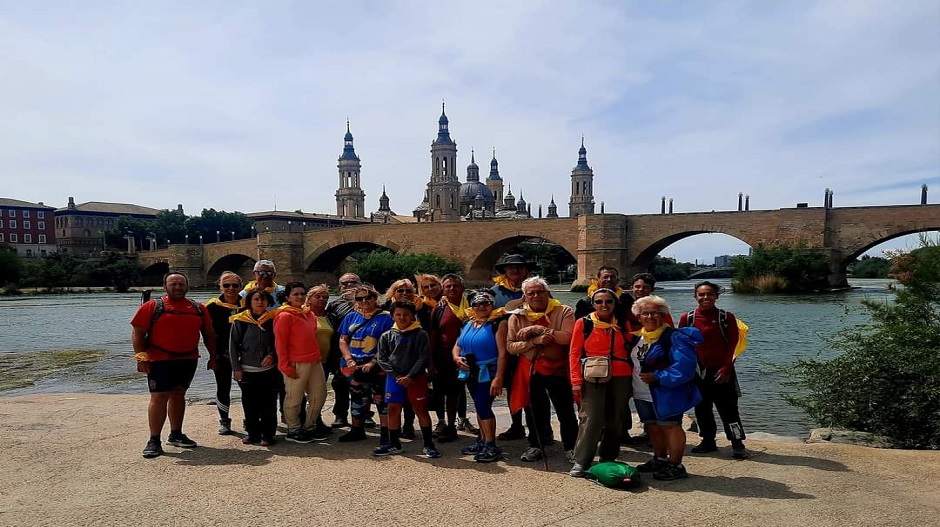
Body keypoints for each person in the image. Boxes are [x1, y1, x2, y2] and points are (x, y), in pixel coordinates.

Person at [132, 272, 216, 459]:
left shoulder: (198, 308)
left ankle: (176, 433)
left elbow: (209, 334)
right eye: (173, 284)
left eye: (181, 284)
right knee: (159, 397)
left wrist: (214, 356)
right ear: (165, 287)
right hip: (159, 359)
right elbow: (138, 333)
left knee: (179, 394)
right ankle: (154, 440)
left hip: (187, 359)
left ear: (187, 286)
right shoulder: (152, 306)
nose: (177, 287)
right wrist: (141, 358)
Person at [630, 295, 703, 481]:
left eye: (655, 312)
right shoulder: (637, 338)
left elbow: (683, 368)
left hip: (667, 391)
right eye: (645, 313)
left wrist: (657, 376)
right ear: (638, 317)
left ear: (663, 315)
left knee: (671, 427)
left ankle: (676, 464)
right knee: (652, 426)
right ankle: (660, 458)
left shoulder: (674, 337)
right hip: (642, 391)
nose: (650, 317)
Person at [507, 276, 578, 463]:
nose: (536, 295)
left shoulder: (564, 311)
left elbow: (568, 337)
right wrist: (534, 341)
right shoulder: (517, 316)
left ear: (547, 293)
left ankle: (571, 446)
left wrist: (542, 329)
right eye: (531, 293)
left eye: (540, 292)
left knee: (565, 411)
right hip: (531, 369)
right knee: (534, 411)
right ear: (525, 296)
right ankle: (537, 445)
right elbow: (511, 346)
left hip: (558, 369)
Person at [678, 280, 749, 460]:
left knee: (730, 410)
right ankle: (708, 441)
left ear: (716, 296)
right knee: (702, 409)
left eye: (709, 294)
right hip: (698, 372)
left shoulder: (726, 317)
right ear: (695, 297)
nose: (705, 297)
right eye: (701, 294)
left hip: (723, 371)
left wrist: (726, 367)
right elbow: (681, 346)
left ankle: (737, 442)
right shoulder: (688, 318)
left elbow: (733, 344)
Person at [568, 288, 632, 477]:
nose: (604, 305)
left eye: (608, 301)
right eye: (599, 302)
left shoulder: (622, 322)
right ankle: (582, 460)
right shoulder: (584, 323)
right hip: (593, 374)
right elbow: (574, 353)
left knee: (615, 417)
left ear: (615, 304)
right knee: (591, 417)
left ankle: (608, 457)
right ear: (593, 304)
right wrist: (575, 381)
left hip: (621, 374)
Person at [374, 300, 441, 458]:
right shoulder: (387, 335)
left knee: (420, 409)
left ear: (413, 316)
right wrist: (397, 375)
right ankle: (394, 443)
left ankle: (428, 444)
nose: (402, 317)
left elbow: (423, 357)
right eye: (398, 314)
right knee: (393, 410)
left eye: (406, 314)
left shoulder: (420, 334)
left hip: (415, 378)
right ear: (392, 316)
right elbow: (382, 358)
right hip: (394, 379)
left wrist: (410, 376)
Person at [452, 291, 508, 463]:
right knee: (478, 405)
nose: (481, 306)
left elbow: (503, 353)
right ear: (472, 307)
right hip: (470, 371)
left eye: (485, 303)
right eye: (477, 304)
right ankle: (482, 440)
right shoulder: (468, 323)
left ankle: (491, 444)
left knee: (483, 405)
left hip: (488, 371)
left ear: (492, 305)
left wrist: (499, 377)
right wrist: (456, 357)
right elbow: (457, 344)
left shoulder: (498, 323)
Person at [337, 284, 394, 444]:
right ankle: (357, 430)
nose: (364, 301)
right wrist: (349, 359)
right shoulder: (351, 316)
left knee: (381, 399)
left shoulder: (387, 317)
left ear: (375, 298)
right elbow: (343, 339)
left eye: (368, 297)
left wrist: (374, 361)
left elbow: (388, 344)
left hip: (377, 365)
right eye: (360, 298)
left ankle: (386, 433)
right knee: (357, 397)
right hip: (354, 364)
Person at [621, 272, 672, 444]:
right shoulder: (626, 307)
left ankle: (658, 437)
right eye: (637, 287)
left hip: (656, 364)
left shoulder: (659, 310)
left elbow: (670, 334)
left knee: (655, 399)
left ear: (652, 289)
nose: (640, 290)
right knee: (629, 397)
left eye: (644, 287)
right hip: (632, 359)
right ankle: (631, 431)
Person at [274, 282, 328, 444]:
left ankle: (308, 427)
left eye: (302, 294)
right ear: (287, 297)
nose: (300, 297)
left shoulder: (308, 314)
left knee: (319, 395)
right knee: (294, 398)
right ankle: (293, 429)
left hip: (314, 360)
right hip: (295, 362)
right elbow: (280, 343)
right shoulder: (284, 316)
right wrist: (284, 365)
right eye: (295, 294)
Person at [490, 253, 533, 441]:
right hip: (504, 347)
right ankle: (516, 426)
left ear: (525, 270)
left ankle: (539, 428)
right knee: (510, 386)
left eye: (519, 267)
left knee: (533, 389)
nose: (515, 270)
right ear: (505, 271)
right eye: (510, 268)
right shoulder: (494, 292)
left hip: (531, 346)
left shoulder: (536, 289)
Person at [230, 288, 280, 446]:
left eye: (263, 299)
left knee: (269, 403)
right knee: (250, 403)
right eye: (256, 299)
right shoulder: (240, 321)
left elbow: (278, 343)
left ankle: (268, 435)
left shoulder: (273, 320)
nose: (260, 302)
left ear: (268, 302)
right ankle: (253, 434)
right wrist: (236, 368)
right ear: (249, 302)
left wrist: (272, 355)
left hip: (268, 370)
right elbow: (233, 346)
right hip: (247, 369)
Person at [428, 273, 471, 443]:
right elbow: (433, 334)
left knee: (457, 392)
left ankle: (454, 425)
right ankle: (443, 423)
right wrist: (430, 360)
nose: (452, 289)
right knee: (441, 391)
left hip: (468, 356)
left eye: (455, 286)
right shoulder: (439, 309)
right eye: (448, 286)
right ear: (443, 289)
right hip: (443, 356)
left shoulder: (473, 305)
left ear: (463, 288)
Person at [381, 278, 423, 438]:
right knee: (392, 400)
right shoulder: (385, 310)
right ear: (393, 292)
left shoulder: (421, 308)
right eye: (400, 290)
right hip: (392, 362)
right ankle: (391, 433)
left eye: (408, 291)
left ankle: (408, 425)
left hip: (414, 361)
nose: (404, 294)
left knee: (412, 398)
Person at [204, 271, 242, 435]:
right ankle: (224, 421)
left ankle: (251, 419)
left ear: (240, 287)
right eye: (226, 285)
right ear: (220, 287)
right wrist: (213, 355)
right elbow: (207, 334)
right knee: (223, 387)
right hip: (222, 354)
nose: (231, 288)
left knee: (248, 389)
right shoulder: (211, 307)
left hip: (244, 355)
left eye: (235, 285)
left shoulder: (248, 304)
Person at [326, 273, 362, 428]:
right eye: (344, 284)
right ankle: (340, 415)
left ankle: (364, 414)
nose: (348, 286)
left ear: (360, 284)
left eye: (352, 282)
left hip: (364, 350)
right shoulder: (334, 305)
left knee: (362, 385)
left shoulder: (368, 301)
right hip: (341, 351)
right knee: (340, 384)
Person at [306, 284, 339, 437]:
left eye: (325, 297)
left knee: (318, 394)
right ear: (309, 298)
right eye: (317, 296)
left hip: (324, 362)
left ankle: (315, 421)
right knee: (301, 394)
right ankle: (303, 424)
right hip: (305, 361)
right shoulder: (302, 314)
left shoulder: (331, 317)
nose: (322, 299)